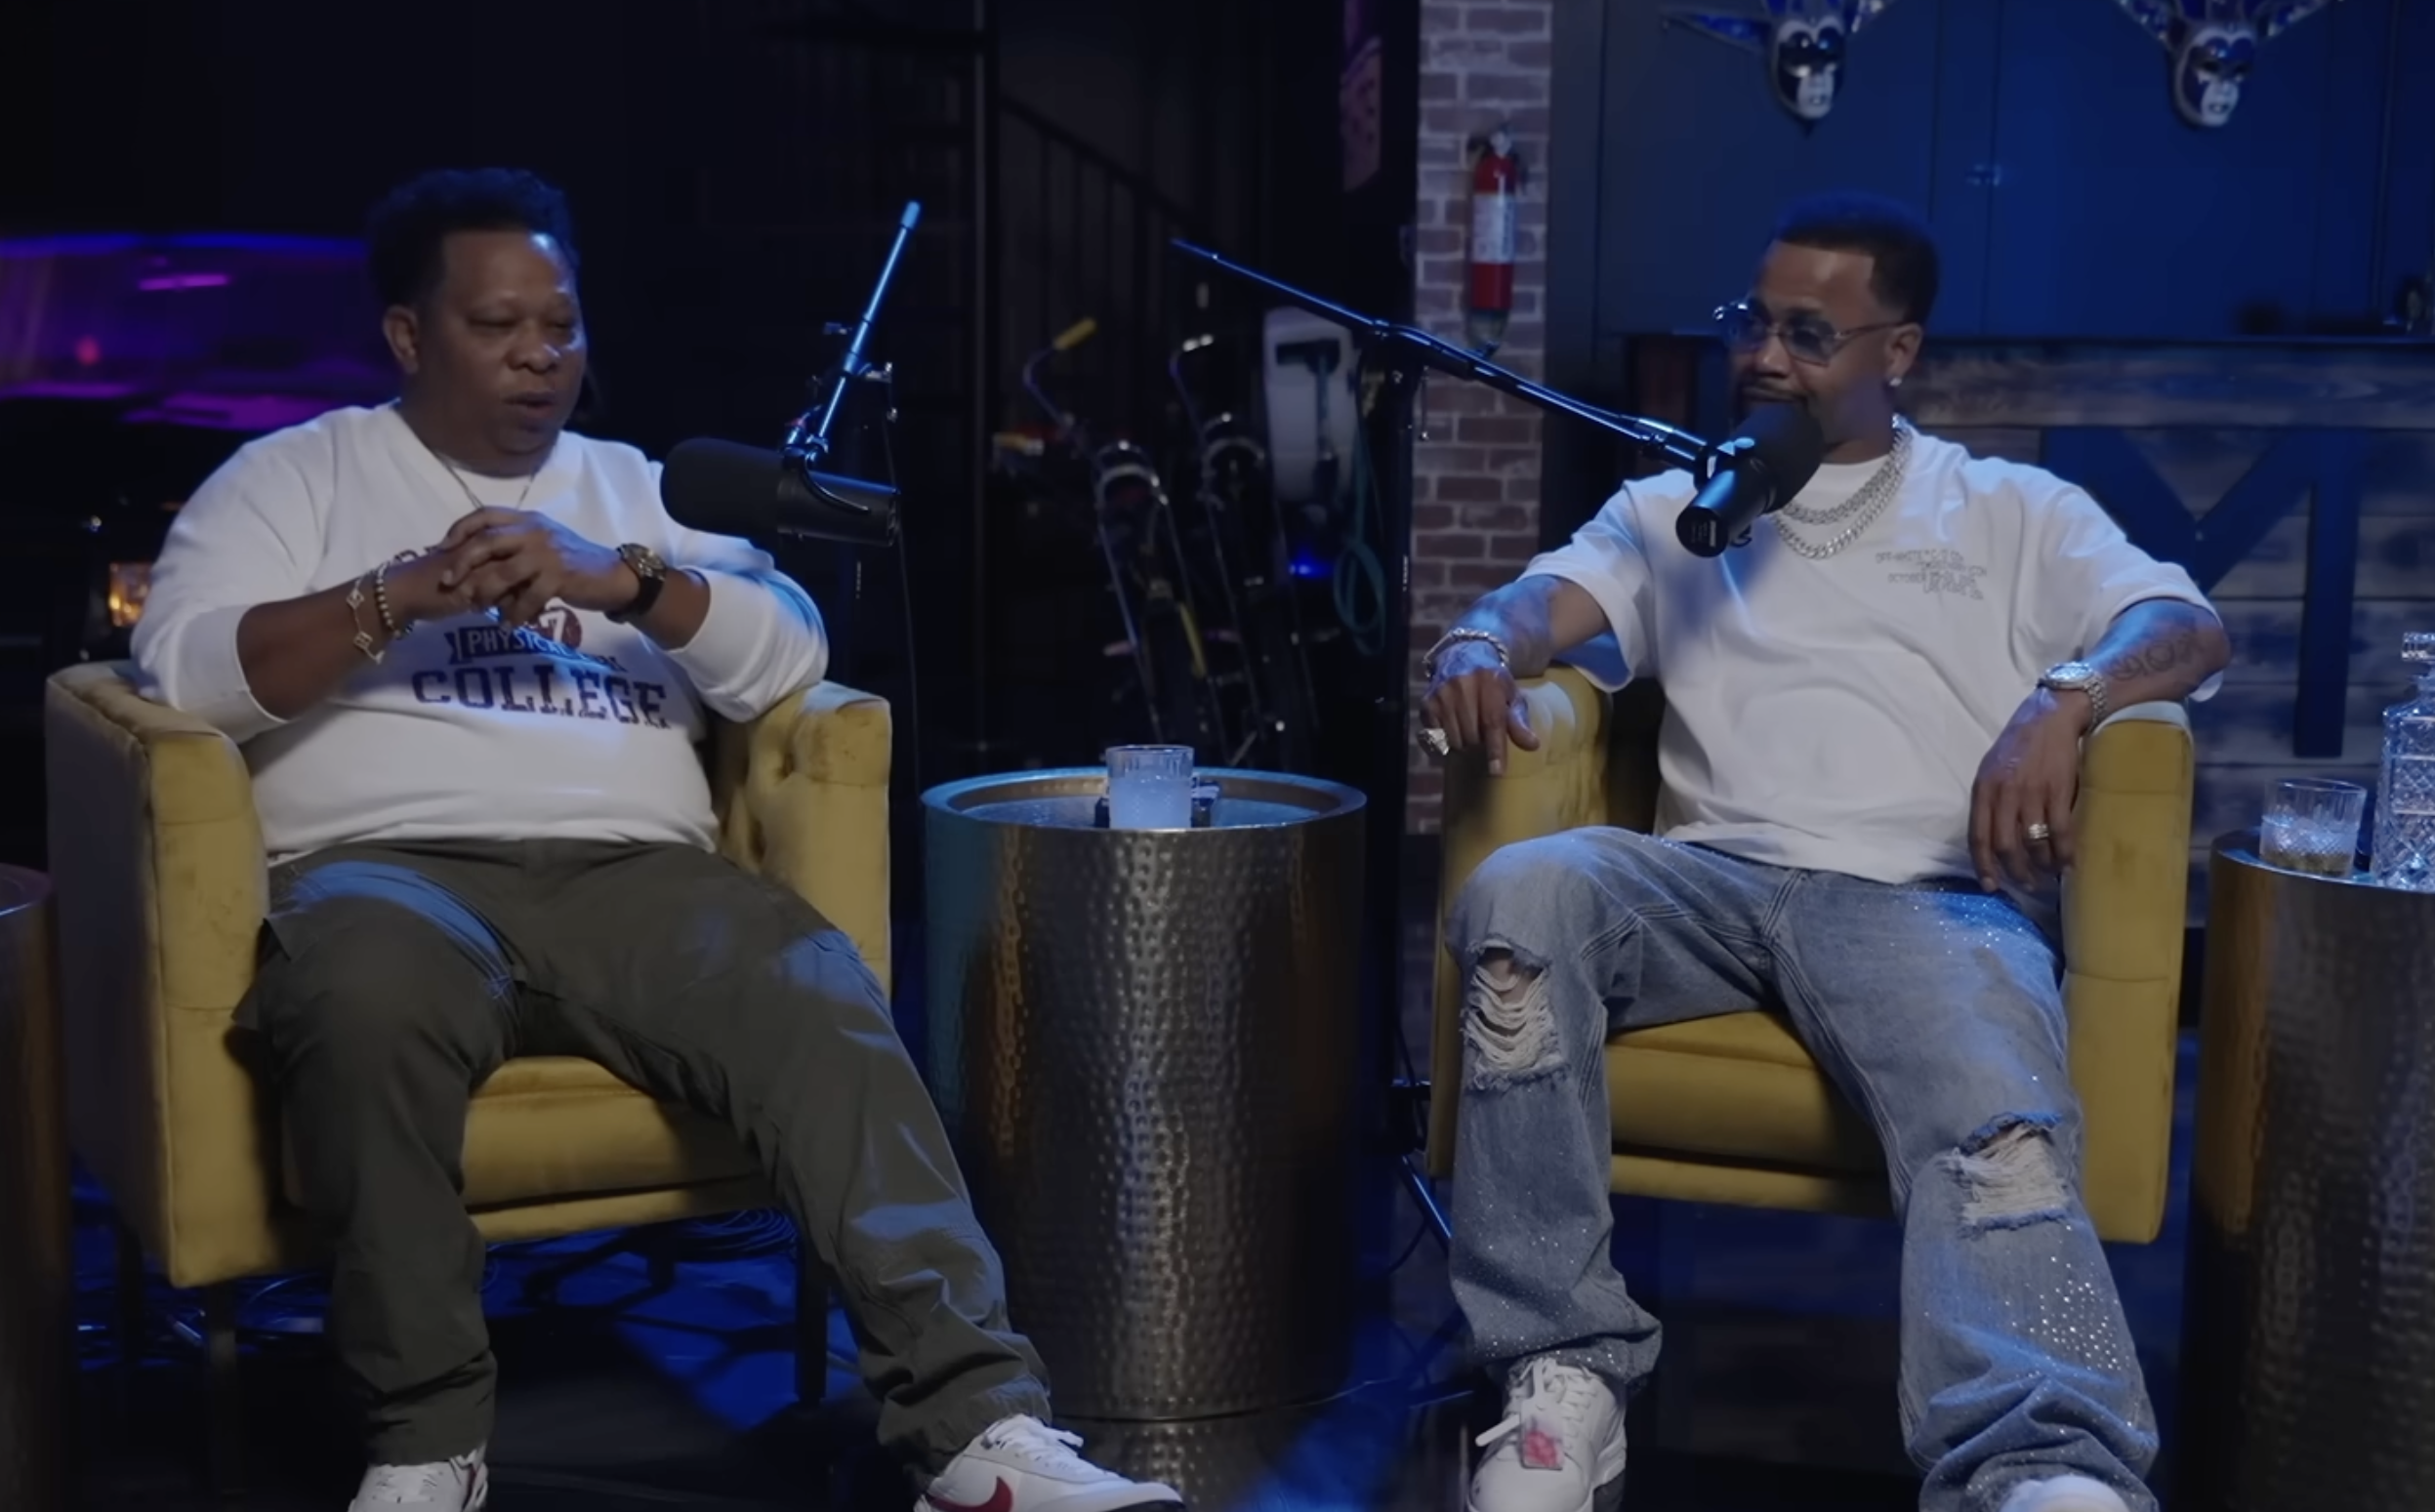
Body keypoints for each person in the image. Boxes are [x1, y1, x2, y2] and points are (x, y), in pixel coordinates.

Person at [131, 167, 1179, 1512]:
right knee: (360, 1001)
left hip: (636, 874)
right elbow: (186, 675)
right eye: (498, 326)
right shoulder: (294, 477)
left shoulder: (634, 486)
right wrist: (401, 592)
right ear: (407, 335)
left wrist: (619, 576)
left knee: (815, 990)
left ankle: (977, 1431)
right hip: (392, 873)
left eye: (560, 326)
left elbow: (787, 651)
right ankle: (426, 1444)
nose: (539, 355)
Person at [1420, 193, 2228, 1512]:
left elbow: (2183, 627)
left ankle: (2044, 1459)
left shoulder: (2007, 507)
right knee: (1522, 895)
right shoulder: (1677, 505)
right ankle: (1559, 1375)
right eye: (1752, 322)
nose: (1763, 356)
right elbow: (1535, 604)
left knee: (1997, 1124)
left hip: (1922, 903)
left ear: (1896, 352)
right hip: (1697, 883)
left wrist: (2066, 695)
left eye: (1807, 333)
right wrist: (1474, 640)